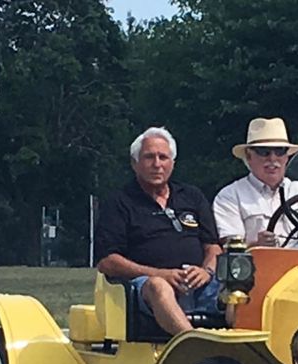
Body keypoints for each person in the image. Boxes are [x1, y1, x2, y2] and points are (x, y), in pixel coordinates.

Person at [94, 126, 221, 335]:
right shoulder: (120, 202)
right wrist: (160, 274)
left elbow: (213, 247)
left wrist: (206, 272)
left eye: (163, 157)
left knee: (242, 287)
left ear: (172, 162)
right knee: (159, 287)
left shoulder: (192, 196)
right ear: (135, 164)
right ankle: (192, 345)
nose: (157, 164)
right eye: (149, 157)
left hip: (199, 283)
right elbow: (107, 261)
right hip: (145, 288)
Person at [212, 117, 298, 248]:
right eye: (264, 152)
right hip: (256, 267)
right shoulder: (230, 196)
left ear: (287, 157)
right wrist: (256, 245)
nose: (273, 158)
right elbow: (230, 248)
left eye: (280, 151)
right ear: (249, 156)